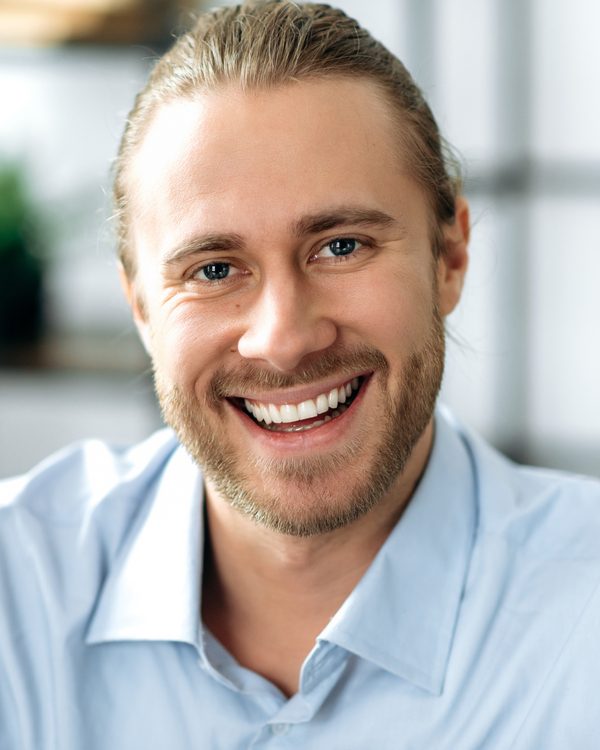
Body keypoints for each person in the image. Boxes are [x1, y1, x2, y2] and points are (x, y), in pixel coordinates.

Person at [1, 2, 599, 748]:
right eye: (214, 269)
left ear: (449, 259)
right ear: (142, 310)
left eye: (341, 246)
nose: (283, 340)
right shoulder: (13, 593)